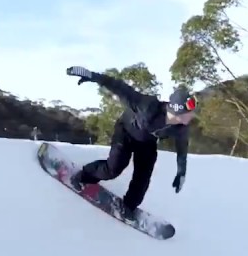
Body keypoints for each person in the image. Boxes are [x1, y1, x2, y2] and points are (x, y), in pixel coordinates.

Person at [64, 66, 196, 214]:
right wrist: (92, 76)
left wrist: (181, 172)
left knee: (143, 177)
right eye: (189, 113)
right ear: (177, 110)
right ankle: (84, 176)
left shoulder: (181, 127)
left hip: (147, 142)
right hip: (126, 132)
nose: (192, 116)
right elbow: (120, 87)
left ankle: (129, 206)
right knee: (113, 169)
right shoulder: (148, 106)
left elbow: (182, 149)